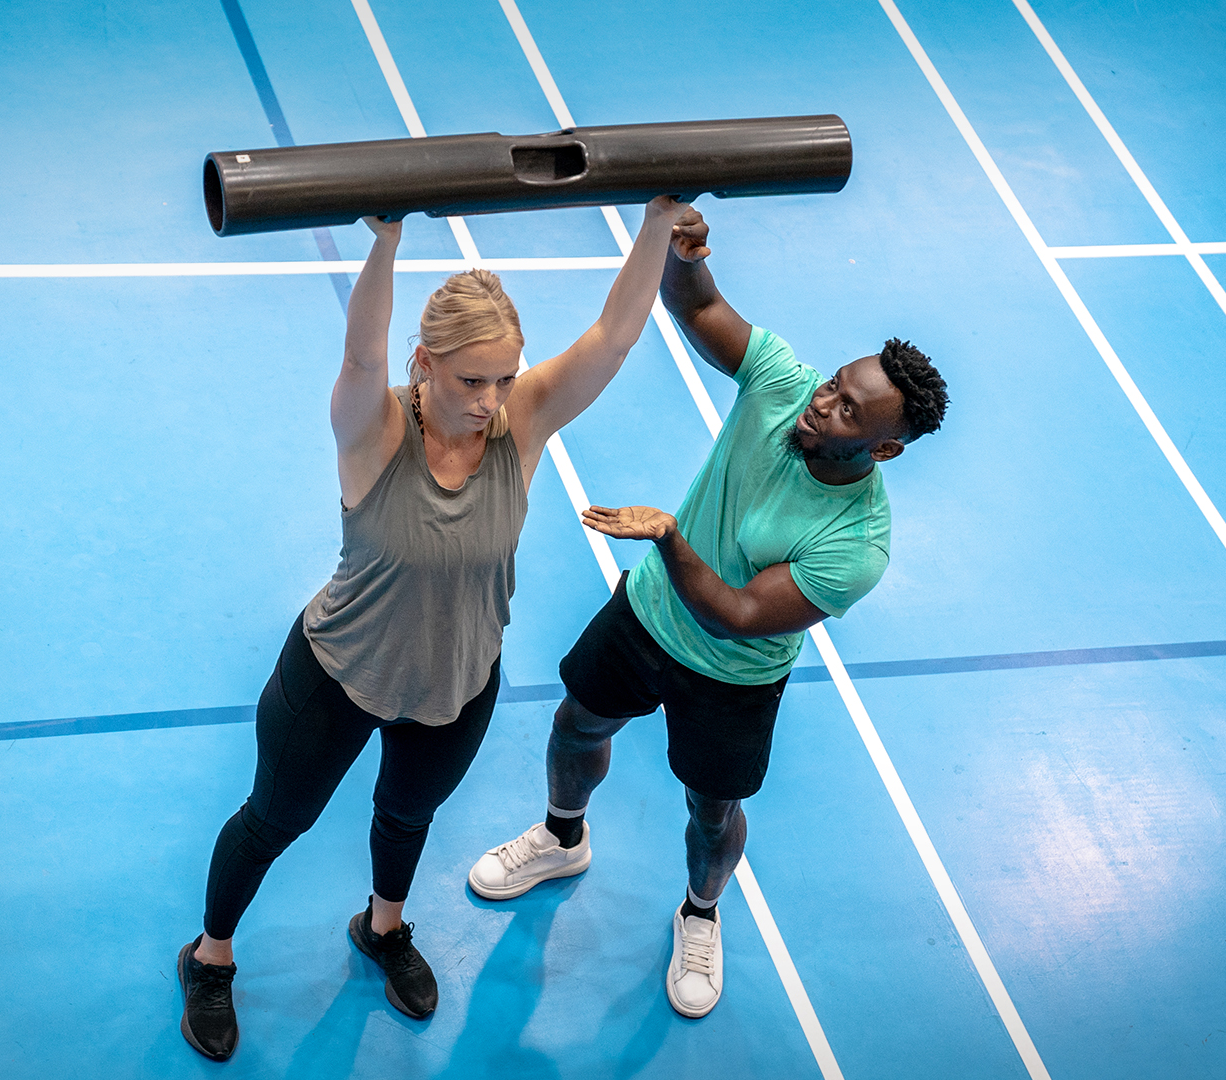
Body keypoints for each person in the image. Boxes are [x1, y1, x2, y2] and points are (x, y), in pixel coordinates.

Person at [176, 195, 690, 1061]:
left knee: (405, 818)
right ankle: (210, 956)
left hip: (458, 682)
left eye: (503, 377)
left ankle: (383, 929)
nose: (491, 400)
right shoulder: (372, 429)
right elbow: (358, 350)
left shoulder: (520, 425)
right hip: (338, 675)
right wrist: (384, 241)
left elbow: (614, 339)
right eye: (470, 380)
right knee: (273, 820)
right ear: (424, 365)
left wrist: (655, 224)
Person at [467, 207, 949, 1018]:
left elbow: (732, 614)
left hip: (733, 672)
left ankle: (700, 913)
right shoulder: (785, 386)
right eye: (834, 383)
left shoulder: (856, 543)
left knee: (712, 809)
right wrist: (680, 251)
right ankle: (561, 837)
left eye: (847, 413)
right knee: (577, 722)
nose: (823, 403)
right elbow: (697, 307)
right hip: (647, 617)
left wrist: (669, 536)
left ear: (884, 449)